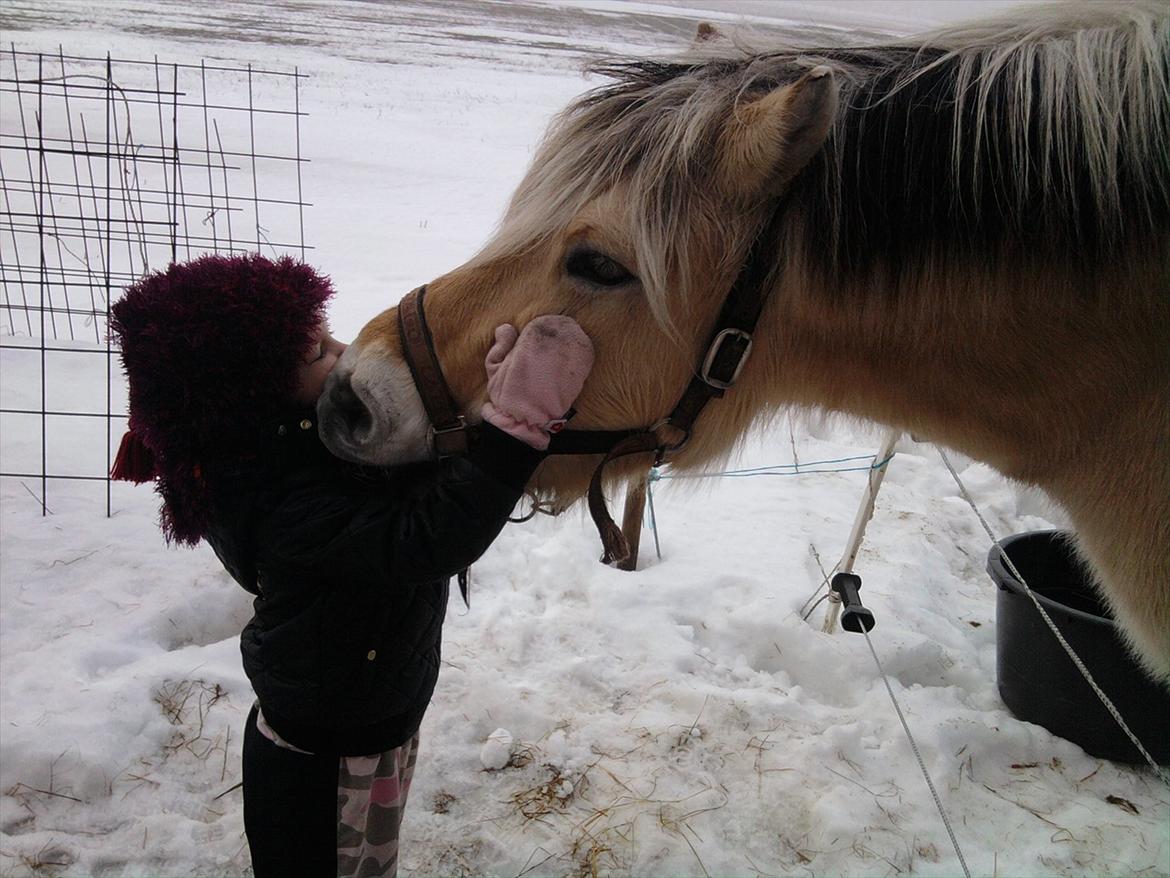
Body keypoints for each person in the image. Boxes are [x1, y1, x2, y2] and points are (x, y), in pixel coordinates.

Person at [109, 253, 593, 877]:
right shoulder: (285, 501)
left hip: (369, 714)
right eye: (317, 353)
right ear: (250, 393)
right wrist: (514, 430)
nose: (343, 354)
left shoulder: (302, 446)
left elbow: (405, 489)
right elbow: (428, 536)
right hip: (330, 750)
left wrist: (475, 413)